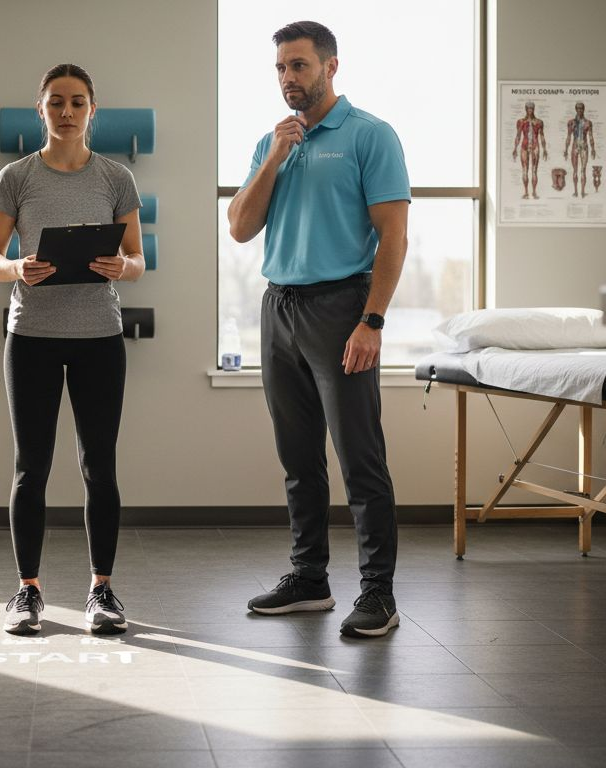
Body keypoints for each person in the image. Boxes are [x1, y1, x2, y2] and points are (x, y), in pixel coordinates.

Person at [227, 21, 411, 638]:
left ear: (331, 67)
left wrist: (372, 321)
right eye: (280, 68)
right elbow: (240, 227)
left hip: (342, 310)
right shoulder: (271, 142)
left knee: (360, 456)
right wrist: (275, 156)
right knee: (297, 456)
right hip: (278, 307)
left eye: (299, 66)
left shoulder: (370, 136)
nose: (288, 79)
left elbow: (394, 237)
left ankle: (378, 592)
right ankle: (309, 578)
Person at [0, 63, 146, 636]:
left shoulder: (116, 178)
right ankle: (27, 593)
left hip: (100, 337)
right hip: (31, 341)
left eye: (77, 102)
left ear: (92, 110)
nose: (67, 112)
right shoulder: (16, 178)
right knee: (32, 468)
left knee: (100, 467)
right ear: (41, 110)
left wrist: (121, 265)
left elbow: (138, 260)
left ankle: (102, 592)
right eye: (57, 102)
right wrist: (17, 269)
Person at [514, 101, 548, 198]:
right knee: (525, 170)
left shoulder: (539, 122)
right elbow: (518, 135)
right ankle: (526, 192)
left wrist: (545, 149)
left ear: (534, 109)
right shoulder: (521, 122)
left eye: (532, 108)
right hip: (524, 146)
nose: (530, 110)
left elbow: (542, 136)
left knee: (534, 171)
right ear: (526, 109)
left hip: (535, 147)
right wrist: (515, 148)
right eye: (528, 108)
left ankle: (534, 192)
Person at [563, 101, 597, 197]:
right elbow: (569, 137)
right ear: (576, 109)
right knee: (575, 170)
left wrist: (593, 149)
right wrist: (566, 149)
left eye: (581, 108)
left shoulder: (588, 123)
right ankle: (575, 192)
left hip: (584, 146)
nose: (579, 110)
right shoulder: (571, 123)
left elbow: (590, 136)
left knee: (583, 170)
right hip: (575, 145)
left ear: (583, 109)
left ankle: (582, 192)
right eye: (578, 108)